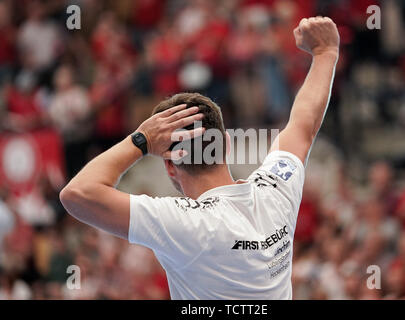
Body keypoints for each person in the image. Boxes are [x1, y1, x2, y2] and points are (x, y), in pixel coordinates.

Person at [60, 16, 340, 299]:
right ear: (226, 144)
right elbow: (303, 126)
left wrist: (141, 140)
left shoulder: (185, 224)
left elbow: (77, 194)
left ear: (169, 165)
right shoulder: (275, 193)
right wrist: (326, 53)